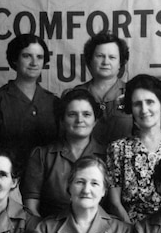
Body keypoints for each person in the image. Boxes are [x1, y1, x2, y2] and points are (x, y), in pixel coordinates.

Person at [105, 74, 161, 223]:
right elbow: (115, 203)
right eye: (137, 104)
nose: (144, 110)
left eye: (150, 102)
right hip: (131, 231)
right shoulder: (117, 149)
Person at [21, 89, 106, 217]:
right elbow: (30, 208)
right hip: (50, 231)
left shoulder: (108, 156)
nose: (79, 120)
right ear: (62, 120)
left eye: (86, 114)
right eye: (72, 114)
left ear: (95, 121)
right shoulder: (42, 156)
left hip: (97, 232)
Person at [0, 34, 59, 166]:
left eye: (39, 57)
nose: (34, 63)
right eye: (27, 56)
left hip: (47, 178)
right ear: (15, 59)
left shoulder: (54, 102)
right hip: (8, 176)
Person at [68, 32, 132, 146]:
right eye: (100, 56)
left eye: (112, 57)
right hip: (85, 160)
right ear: (90, 60)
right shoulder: (75, 94)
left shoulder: (132, 93)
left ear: (120, 63)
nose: (105, 62)